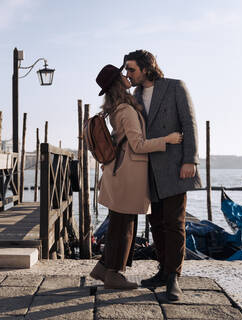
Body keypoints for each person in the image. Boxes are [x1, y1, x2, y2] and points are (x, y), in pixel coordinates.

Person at [89, 64, 183, 290]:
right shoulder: (126, 110)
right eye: (122, 75)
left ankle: (103, 268)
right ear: (117, 83)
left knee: (120, 225)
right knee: (125, 227)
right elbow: (138, 145)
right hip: (127, 175)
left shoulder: (117, 108)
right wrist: (167, 140)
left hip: (120, 173)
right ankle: (115, 275)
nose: (126, 76)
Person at [123, 50, 202, 300]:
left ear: (146, 68)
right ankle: (162, 271)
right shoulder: (133, 96)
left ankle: (173, 278)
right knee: (156, 222)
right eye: (126, 70)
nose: (128, 74)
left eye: (131, 69)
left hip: (175, 165)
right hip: (147, 168)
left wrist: (190, 159)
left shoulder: (175, 86)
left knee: (174, 223)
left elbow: (189, 124)